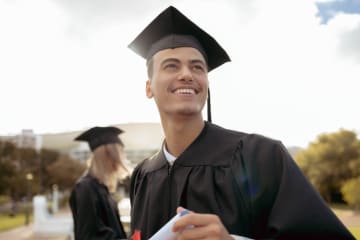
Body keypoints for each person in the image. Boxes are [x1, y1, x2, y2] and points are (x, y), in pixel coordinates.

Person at [127, 6, 355, 240]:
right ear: (148, 88)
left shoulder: (260, 157)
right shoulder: (143, 176)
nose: (187, 74)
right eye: (171, 65)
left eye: (197, 67)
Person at [69, 126, 129, 240]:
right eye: (117, 157)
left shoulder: (101, 187)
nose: (119, 164)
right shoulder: (85, 188)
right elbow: (90, 236)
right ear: (107, 156)